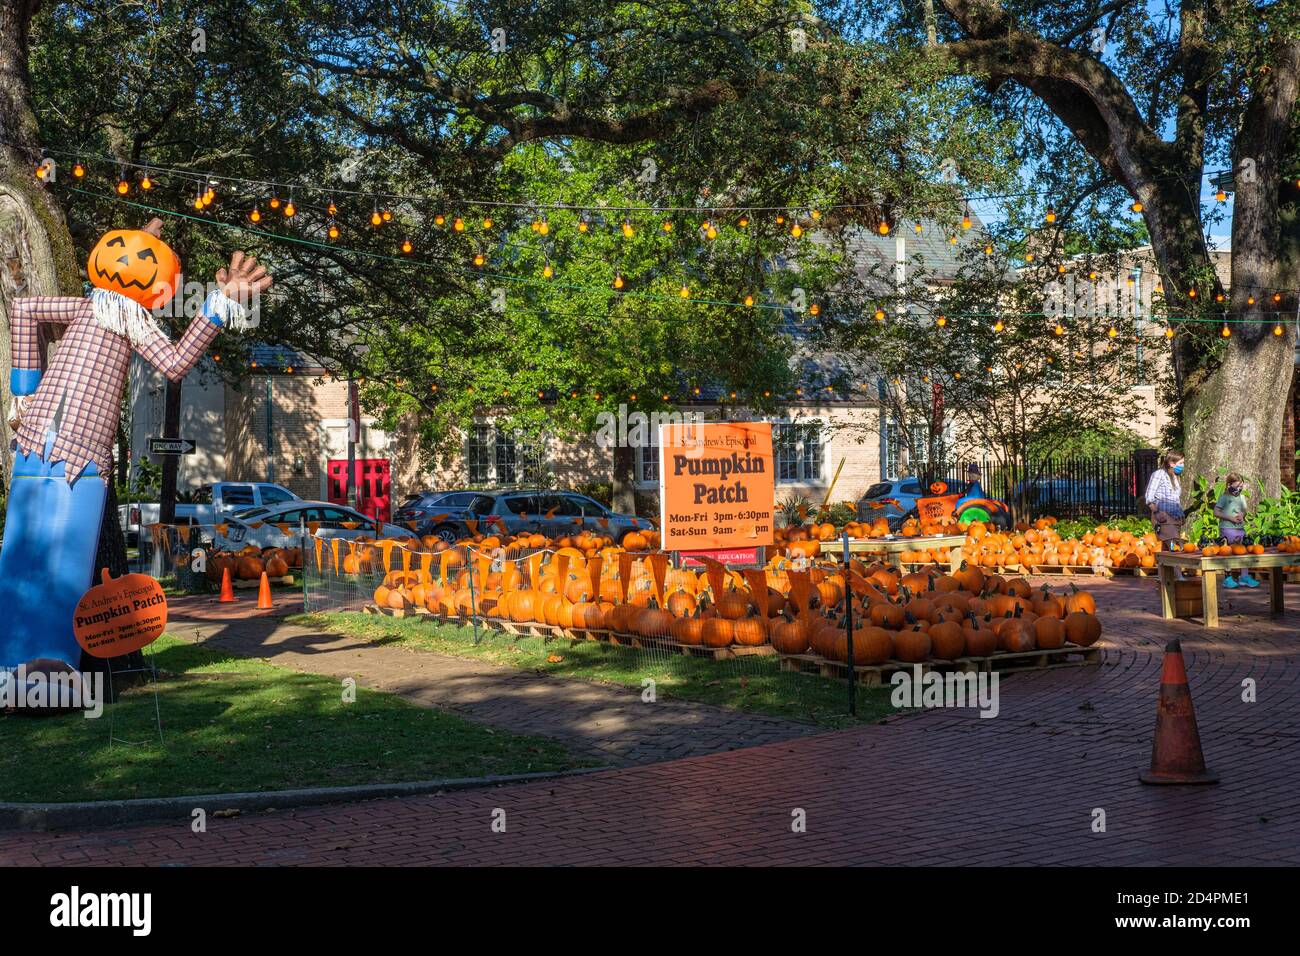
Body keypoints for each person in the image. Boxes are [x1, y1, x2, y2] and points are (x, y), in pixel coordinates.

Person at [1215, 474, 1259, 589]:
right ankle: (1227, 578)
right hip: (1227, 529)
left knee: (1243, 552)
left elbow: (1243, 511)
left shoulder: (1241, 497)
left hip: (1240, 529)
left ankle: (1244, 576)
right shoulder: (1224, 497)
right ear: (1229, 485)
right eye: (1237, 486)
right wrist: (1230, 518)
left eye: (1241, 487)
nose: (1239, 489)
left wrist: (1241, 515)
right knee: (1228, 552)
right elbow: (1216, 512)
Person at [1144, 451, 1186, 551]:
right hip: (1163, 519)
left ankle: (1164, 566)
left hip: (1175, 520)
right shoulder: (1159, 474)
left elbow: (1174, 499)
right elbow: (1149, 497)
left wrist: (1181, 515)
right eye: (1180, 463)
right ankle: (1178, 567)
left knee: (1167, 551)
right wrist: (1157, 512)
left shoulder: (1175, 477)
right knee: (1175, 548)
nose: (1183, 465)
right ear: (1172, 463)